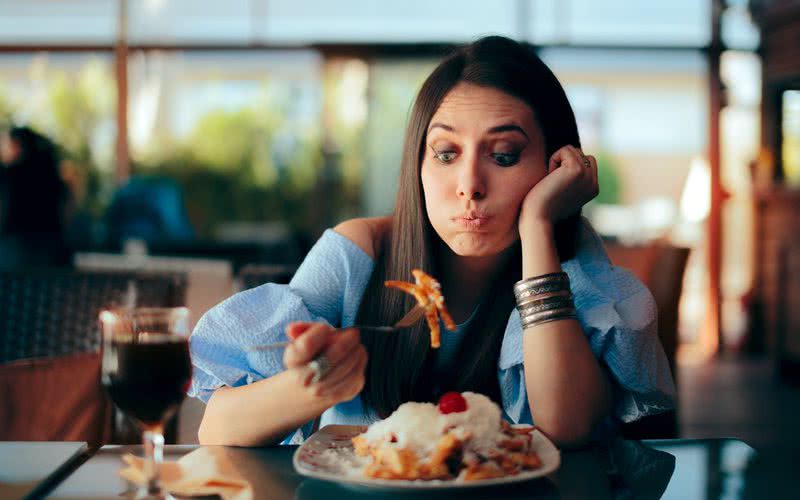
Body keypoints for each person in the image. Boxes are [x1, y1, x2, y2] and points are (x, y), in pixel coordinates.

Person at [189, 36, 675, 448]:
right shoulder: (361, 252)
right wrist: (311, 386)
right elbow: (218, 430)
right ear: (417, 166)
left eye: (504, 156)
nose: (469, 183)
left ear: (553, 166)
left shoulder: (568, 267)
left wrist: (536, 227)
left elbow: (567, 430)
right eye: (445, 153)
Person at [0, 126, 72, 267]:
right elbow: (67, 214)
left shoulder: (9, 175)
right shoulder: (53, 178)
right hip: (54, 254)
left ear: (17, 145)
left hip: (16, 254)